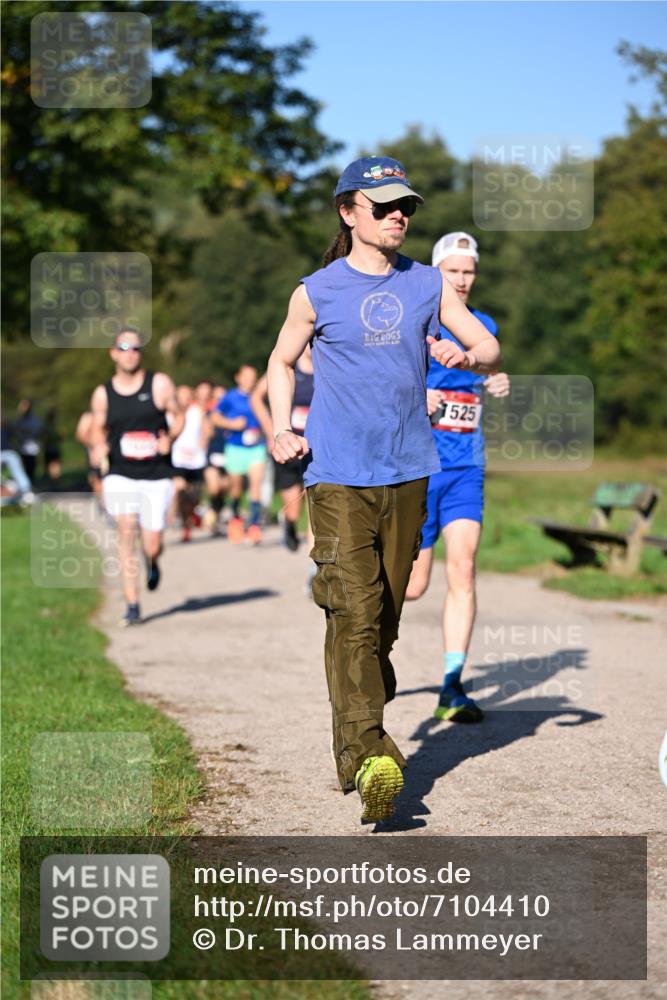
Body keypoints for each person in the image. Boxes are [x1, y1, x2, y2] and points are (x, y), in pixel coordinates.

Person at [267, 156, 501, 823]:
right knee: (355, 613)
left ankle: (362, 700)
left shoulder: (427, 285)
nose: (398, 214)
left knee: (384, 620)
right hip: (336, 475)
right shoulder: (315, 291)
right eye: (384, 205)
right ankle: (370, 757)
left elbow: (485, 349)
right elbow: (281, 362)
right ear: (349, 212)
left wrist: (468, 354)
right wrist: (282, 427)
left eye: (406, 207)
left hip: (408, 472)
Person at [406, 232, 510, 722]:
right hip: (420, 467)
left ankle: (451, 686)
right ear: (436, 274)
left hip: (467, 467)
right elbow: (380, 379)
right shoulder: (418, 320)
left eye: (469, 271)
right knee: (412, 587)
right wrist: (415, 396)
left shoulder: (482, 326)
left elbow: (486, 368)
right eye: (453, 271)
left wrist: (496, 379)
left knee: (464, 569)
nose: (463, 279)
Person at [89, 328, 183, 626]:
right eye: (124, 348)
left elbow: (178, 415)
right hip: (120, 472)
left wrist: (172, 436)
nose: (130, 353)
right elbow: (97, 427)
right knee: (126, 530)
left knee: (152, 542)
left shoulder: (159, 384)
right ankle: (132, 603)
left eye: (136, 348)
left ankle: (153, 560)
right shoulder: (103, 393)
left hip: (156, 474)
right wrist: (98, 446)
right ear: (113, 353)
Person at [251, 343, 315, 554]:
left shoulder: (327, 366)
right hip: (289, 446)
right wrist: (273, 431)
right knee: (293, 506)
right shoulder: (289, 365)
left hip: (316, 446)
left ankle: (314, 564)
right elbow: (256, 397)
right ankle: (288, 522)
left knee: (315, 504)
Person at [212, 364, 266, 545]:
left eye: (253, 376)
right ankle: (235, 519)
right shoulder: (230, 397)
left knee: (256, 484)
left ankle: (255, 526)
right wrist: (232, 424)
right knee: (236, 487)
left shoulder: (259, 395)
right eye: (247, 376)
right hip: (235, 447)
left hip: (256, 447)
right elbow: (214, 417)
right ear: (238, 377)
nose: (250, 380)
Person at [171, 383, 209, 542]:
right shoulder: (170, 413)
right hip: (177, 459)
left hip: (196, 460)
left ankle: (191, 516)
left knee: (194, 496)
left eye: (187, 396)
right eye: (181, 396)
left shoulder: (197, 411)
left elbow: (206, 429)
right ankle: (182, 523)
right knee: (179, 488)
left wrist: (203, 441)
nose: (184, 400)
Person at [203, 384, 229, 535]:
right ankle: (211, 511)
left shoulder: (231, 414)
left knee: (224, 487)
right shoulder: (209, 414)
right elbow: (206, 432)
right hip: (213, 454)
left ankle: (217, 515)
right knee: (214, 488)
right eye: (217, 397)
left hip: (228, 454)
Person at [11, 399, 43, 482]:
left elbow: (38, 431)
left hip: (32, 447)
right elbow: (15, 432)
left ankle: (31, 482)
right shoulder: (19, 420)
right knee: (23, 466)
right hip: (22, 447)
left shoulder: (34, 419)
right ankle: (27, 483)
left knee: (31, 466)